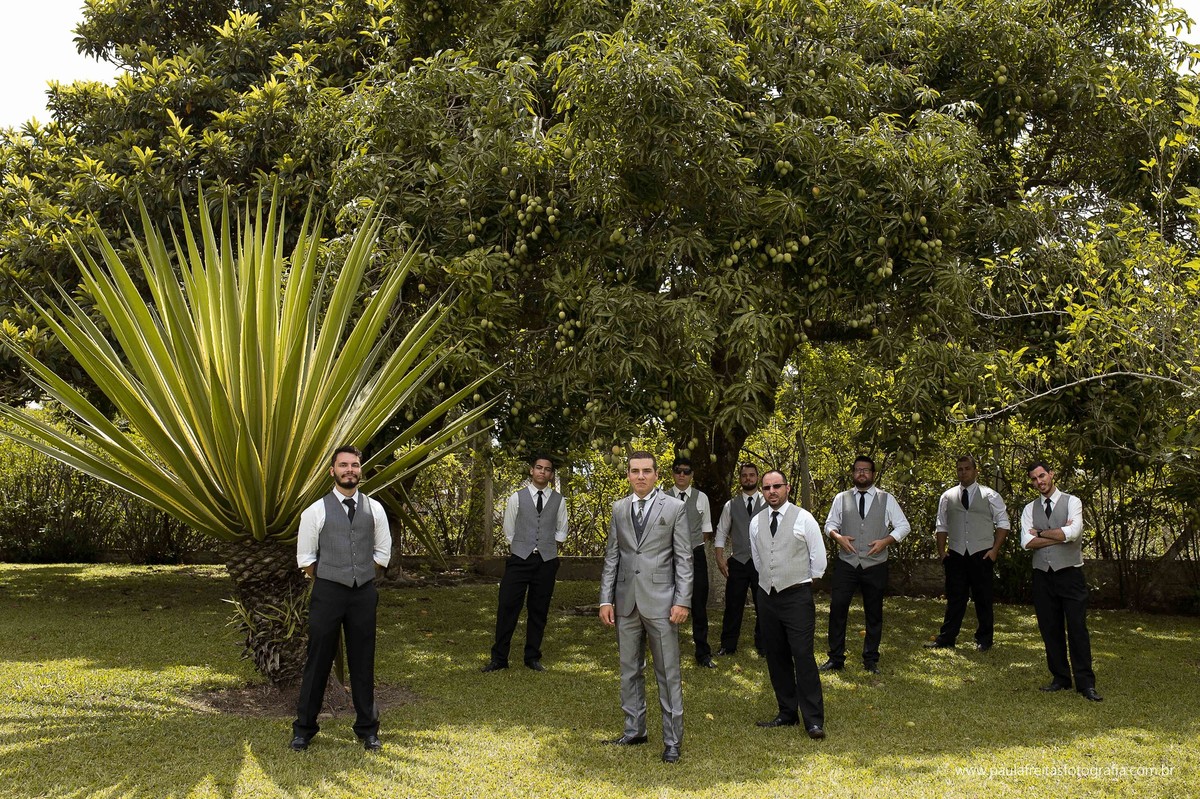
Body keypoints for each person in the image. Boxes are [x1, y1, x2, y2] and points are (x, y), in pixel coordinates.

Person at [291, 446, 392, 751]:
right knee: (318, 659)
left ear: (361, 470)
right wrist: (333, 575)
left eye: (355, 465)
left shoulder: (375, 509)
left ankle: (367, 729)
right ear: (332, 471)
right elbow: (305, 558)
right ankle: (304, 729)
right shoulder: (315, 511)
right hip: (327, 592)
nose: (350, 469)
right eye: (344, 465)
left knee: (363, 660)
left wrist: (358, 571)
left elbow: (382, 553)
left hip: (363, 592)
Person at [599, 450, 694, 763]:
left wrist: (682, 600)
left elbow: (683, 558)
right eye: (634, 471)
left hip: (662, 604)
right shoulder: (618, 508)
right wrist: (606, 598)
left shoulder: (675, 507)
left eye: (646, 471)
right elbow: (613, 556)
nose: (640, 476)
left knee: (667, 674)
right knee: (629, 671)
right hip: (626, 602)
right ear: (627, 474)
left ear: (656, 474)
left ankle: (672, 742)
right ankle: (634, 730)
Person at [750, 470, 827, 740]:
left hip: (797, 596)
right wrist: (769, 583)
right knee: (776, 655)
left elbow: (819, 561)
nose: (772, 491)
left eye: (777, 486)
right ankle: (786, 712)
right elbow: (758, 559)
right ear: (762, 491)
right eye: (767, 487)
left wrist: (799, 581)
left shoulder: (804, 519)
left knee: (803, 655)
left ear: (788, 488)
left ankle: (814, 720)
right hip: (767, 596)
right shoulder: (756, 522)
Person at [821, 455, 910, 675]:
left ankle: (871, 659)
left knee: (874, 613)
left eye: (866, 470)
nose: (862, 473)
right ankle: (836, 658)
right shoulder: (841, 498)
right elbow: (829, 524)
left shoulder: (886, 498)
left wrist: (886, 541)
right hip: (846, 563)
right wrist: (837, 537)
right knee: (837, 609)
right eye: (858, 470)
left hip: (875, 564)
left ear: (873, 474)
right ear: (853, 473)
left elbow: (903, 526)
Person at [1021, 460, 1102, 701]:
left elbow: (1073, 533)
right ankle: (1060, 678)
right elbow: (1026, 542)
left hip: (1070, 574)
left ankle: (1085, 683)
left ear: (1051, 474)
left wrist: (1041, 533)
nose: (1039, 482)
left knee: (1077, 628)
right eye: (1034, 479)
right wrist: (1059, 535)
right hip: (1042, 576)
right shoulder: (1029, 509)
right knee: (1050, 628)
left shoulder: (1072, 502)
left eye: (1042, 476)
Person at [482, 454, 568, 673]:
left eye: (547, 469)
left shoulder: (559, 500)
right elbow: (509, 530)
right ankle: (499, 658)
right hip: (519, 559)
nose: (542, 472)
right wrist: (522, 546)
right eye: (539, 468)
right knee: (507, 607)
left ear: (551, 474)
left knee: (539, 610)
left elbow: (562, 530)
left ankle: (532, 657)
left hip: (546, 561)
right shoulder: (517, 498)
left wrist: (547, 544)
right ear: (532, 470)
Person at [924, 455, 1010, 651]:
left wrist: (994, 550)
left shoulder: (990, 495)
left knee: (983, 599)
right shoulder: (947, 496)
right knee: (955, 598)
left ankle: (984, 640)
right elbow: (941, 525)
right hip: (956, 554)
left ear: (975, 471)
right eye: (960, 469)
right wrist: (941, 552)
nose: (963, 472)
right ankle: (946, 638)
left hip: (982, 553)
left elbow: (1004, 524)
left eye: (967, 468)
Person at [663, 457, 716, 667]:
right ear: (673, 473)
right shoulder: (662, 497)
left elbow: (706, 530)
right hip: (668, 557)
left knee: (699, 605)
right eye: (678, 471)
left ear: (692, 474)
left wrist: (690, 549)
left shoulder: (701, 498)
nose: (682, 475)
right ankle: (667, 653)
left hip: (696, 556)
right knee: (666, 604)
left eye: (686, 471)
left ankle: (703, 653)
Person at [715, 462, 766, 656]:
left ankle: (764, 645)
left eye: (751, 475)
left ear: (757, 477)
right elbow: (721, 531)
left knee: (764, 605)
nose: (748, 478)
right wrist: (719, 557)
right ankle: (728, 645)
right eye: (744, 475)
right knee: (733, 605)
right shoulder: (731, 505)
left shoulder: (768, 501)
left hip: (762, 561)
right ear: (740, 478)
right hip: (739, 561)